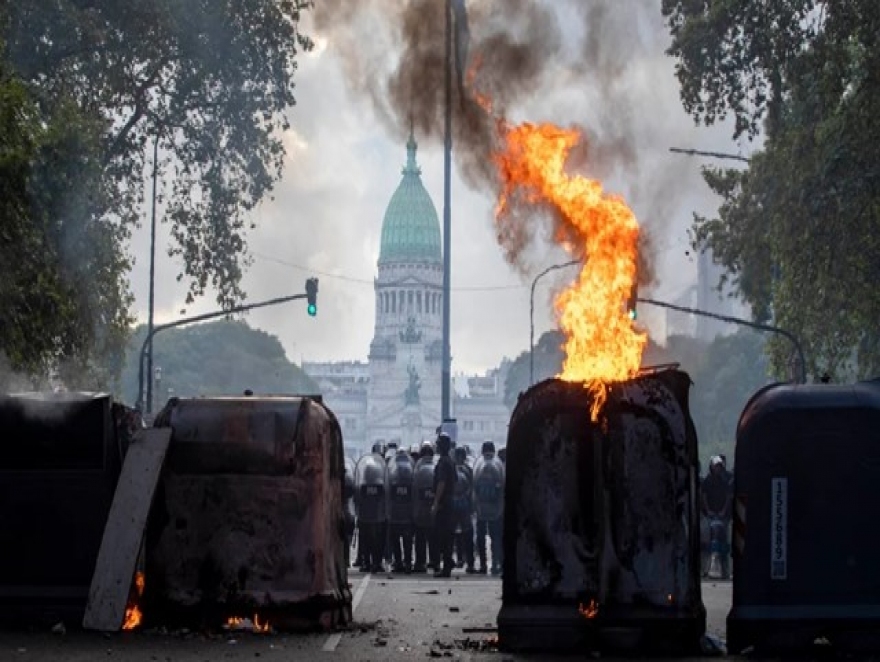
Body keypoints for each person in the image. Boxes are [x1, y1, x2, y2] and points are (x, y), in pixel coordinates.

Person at [473, 441, 504, 575]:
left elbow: (474, 486)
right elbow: (502, 487)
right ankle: (496, 563)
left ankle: (483, 564)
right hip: (495, 507)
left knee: (481, 536)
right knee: (495, 536)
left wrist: (475, 507)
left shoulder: (478, 464)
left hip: (481, 507)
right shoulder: (498, 464)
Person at [431, 432, 457, 578]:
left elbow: (441, 483)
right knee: (447, 535)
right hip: (450, 502)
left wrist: (435, 503)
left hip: (443, 504)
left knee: (442, 535)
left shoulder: (443, 462)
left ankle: (446, 565)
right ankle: (448, 561)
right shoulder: (450, 461)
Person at [701, 455, 732, 579]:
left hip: (722, 516)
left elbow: (727, 497)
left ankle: (725, 570)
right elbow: (704, 497)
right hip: (709, 515)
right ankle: (705, 569)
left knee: (724, 542)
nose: (718, 468)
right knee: (707, 543)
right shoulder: (707, 481)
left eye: (720, 466)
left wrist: (724, 511)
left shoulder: (724, 481)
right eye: (716, 466)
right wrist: (708, 510)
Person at [452, 446, 476, 573]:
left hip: (455, 503)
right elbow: (471, 488)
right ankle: (469, 561)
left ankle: (461, 559)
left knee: (457, 533)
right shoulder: (468, 470)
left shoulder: (455, 469)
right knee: (465, 533)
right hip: (464, 504)